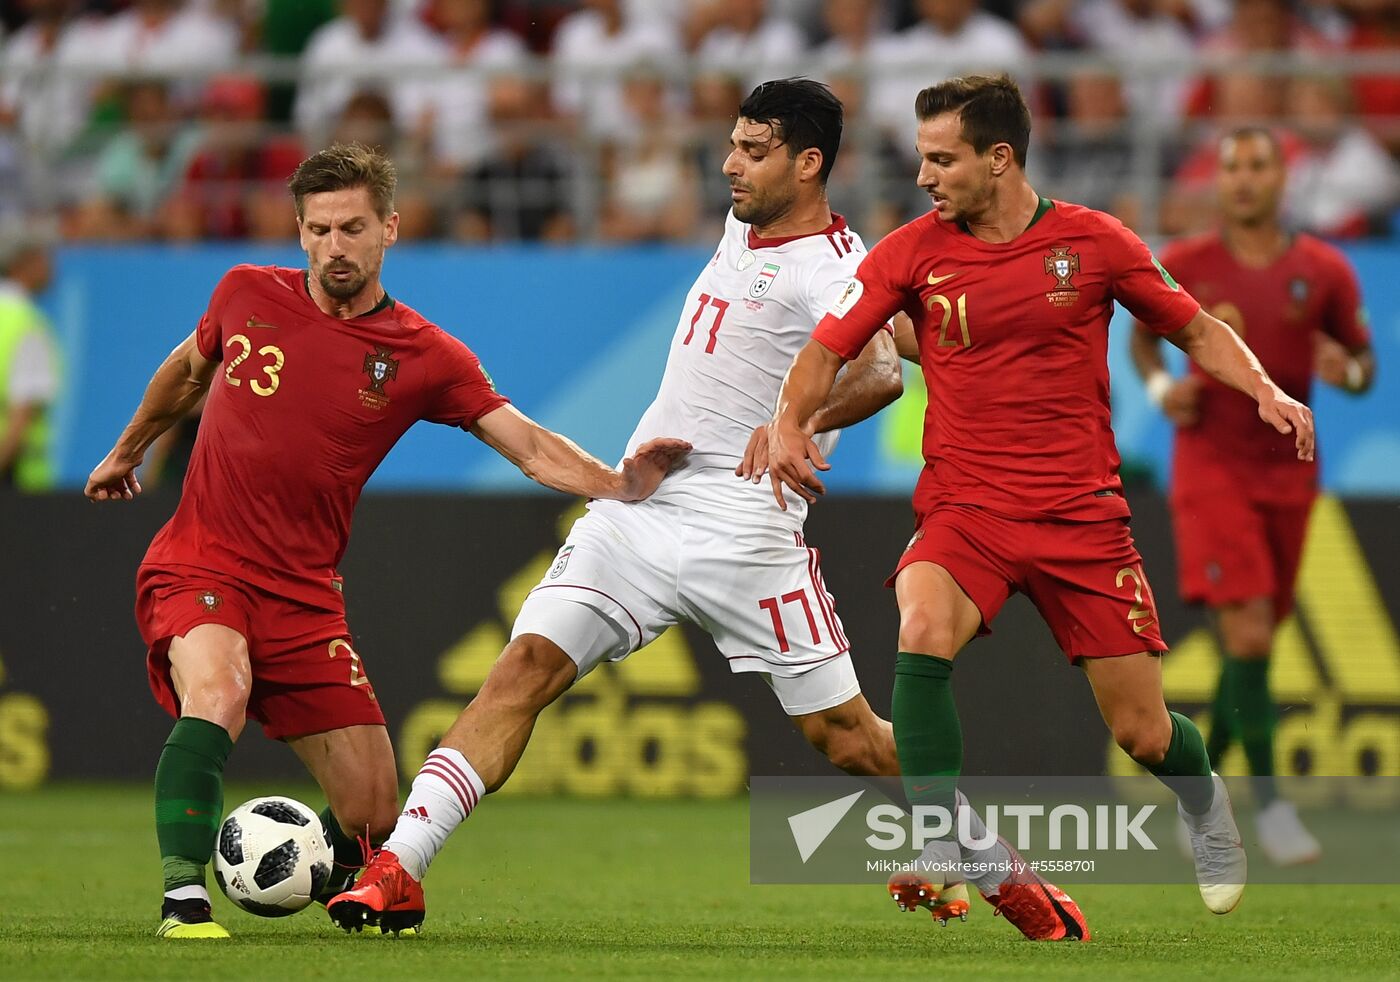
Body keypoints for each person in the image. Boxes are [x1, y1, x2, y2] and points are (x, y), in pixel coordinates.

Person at [328, 78, 1095, 943]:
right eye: (733, 143)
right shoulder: (746, 223)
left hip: (747, 529)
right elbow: (909, 333)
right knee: (524, 667)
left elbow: (881, 370)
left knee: (848, 739)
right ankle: (400, 869)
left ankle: (998, 868)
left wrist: (791, 422)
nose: (729, 164)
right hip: (641, 511)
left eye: (754, 151)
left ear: (809, 165)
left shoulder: (833, 266)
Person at [85, 143, 690, 940]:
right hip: (202, 562)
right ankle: (183, 900)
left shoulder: (423, 355)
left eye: (354, 228)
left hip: (304, 596)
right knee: (220, 691)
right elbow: (187, 370)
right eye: (321, 229)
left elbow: (526, 442)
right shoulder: (244, 293)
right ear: (300, 232)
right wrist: (129, 448)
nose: (337, 245)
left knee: (371, 811)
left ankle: (327, 882)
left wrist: (616, 483)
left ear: (390, 229)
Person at [766, 74, 1317, 922]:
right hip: (967, 510)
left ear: (1000, 158)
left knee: (1145, 733)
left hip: (1080, 517)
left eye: (941, 159)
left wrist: (1265, 390)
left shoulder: (1095, 243)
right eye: (921, 157)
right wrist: (789, 423)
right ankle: (940, 836)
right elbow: (827, 347)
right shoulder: (910, 251)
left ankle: (1206, 803)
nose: (924, 177)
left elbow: (1197, 329)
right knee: (919, 620)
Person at [1130, 126, 1374, 865]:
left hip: (1289, 471)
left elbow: (1364, 367)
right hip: (1210, 468)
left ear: (1282, 179)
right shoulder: (1187, 264)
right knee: (1252, 637)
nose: (1240, 180)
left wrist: (1347, 371)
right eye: (1230, 167)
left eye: (1257, 167)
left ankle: (1198, 790)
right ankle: (1269, 811)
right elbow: (1143, 338)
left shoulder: (1324, 271)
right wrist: (1163, 386)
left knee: (1253, 650)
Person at [0, 222, 60, 491]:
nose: (50, 266)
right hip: (17, 475)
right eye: (43, 257)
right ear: (23, 263)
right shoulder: (27, 324)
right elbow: (23, 412)